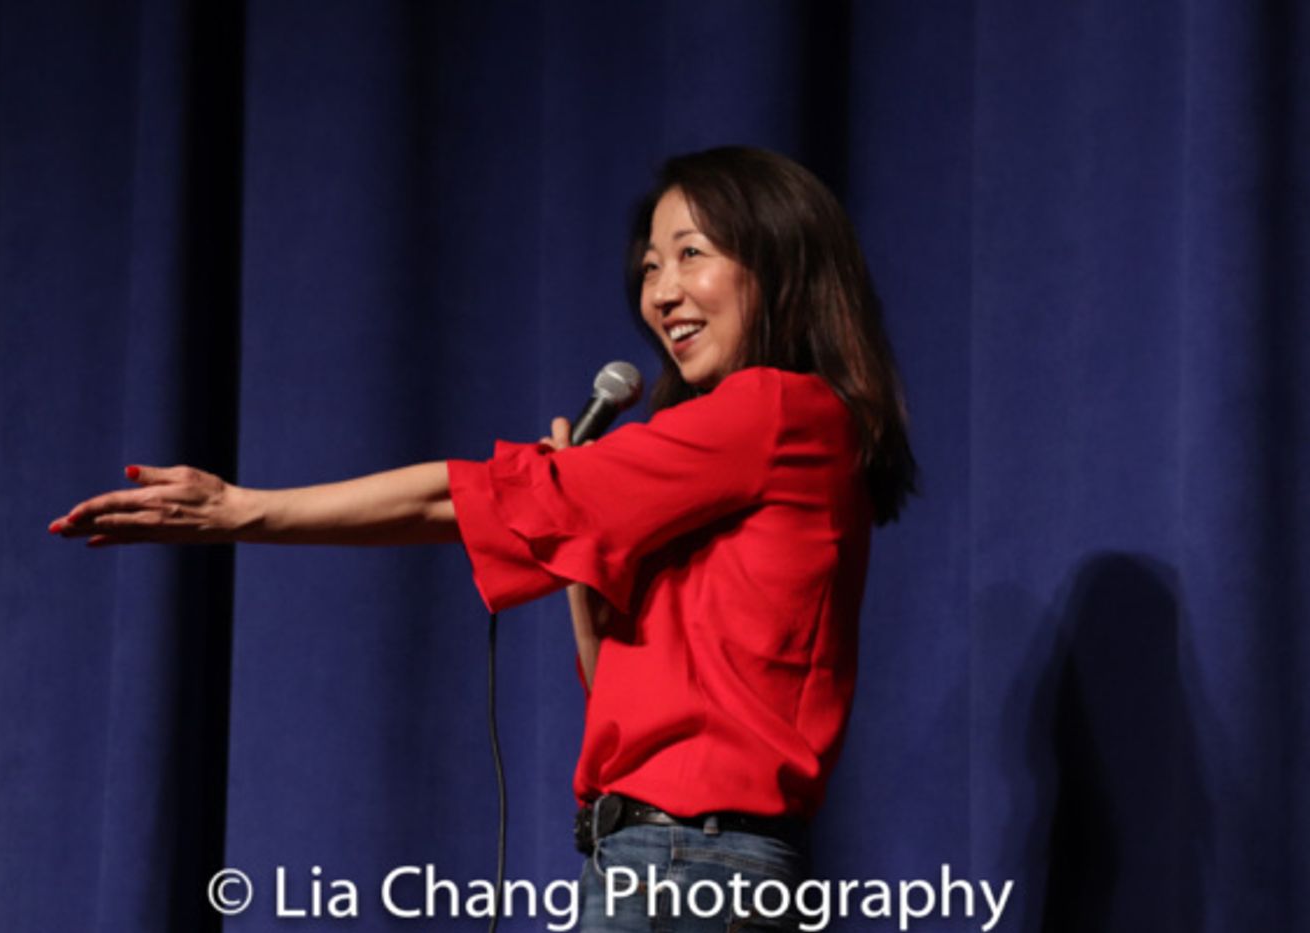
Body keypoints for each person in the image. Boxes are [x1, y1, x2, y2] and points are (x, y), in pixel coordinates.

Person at [50, 146, 916, 931]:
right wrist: (585, 534)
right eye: (651, 265)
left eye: (692, 253)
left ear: (780, 259)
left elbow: (467, 497)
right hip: (662, 862)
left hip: (687, 866)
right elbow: (610, 669)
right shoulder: (736, 450)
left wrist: (248, 510)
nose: (660, 293)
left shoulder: (774, 411)